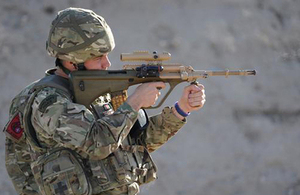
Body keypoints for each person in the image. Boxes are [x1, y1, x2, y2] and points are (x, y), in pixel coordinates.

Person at [4, 7, 205, 195]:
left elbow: (133, 143)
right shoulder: (48, 103)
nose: (106, 63)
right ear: (73, 59)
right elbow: (98, 145)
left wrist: (181, 110)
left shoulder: (96, 91)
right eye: (99, 56)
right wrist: (135, 102)